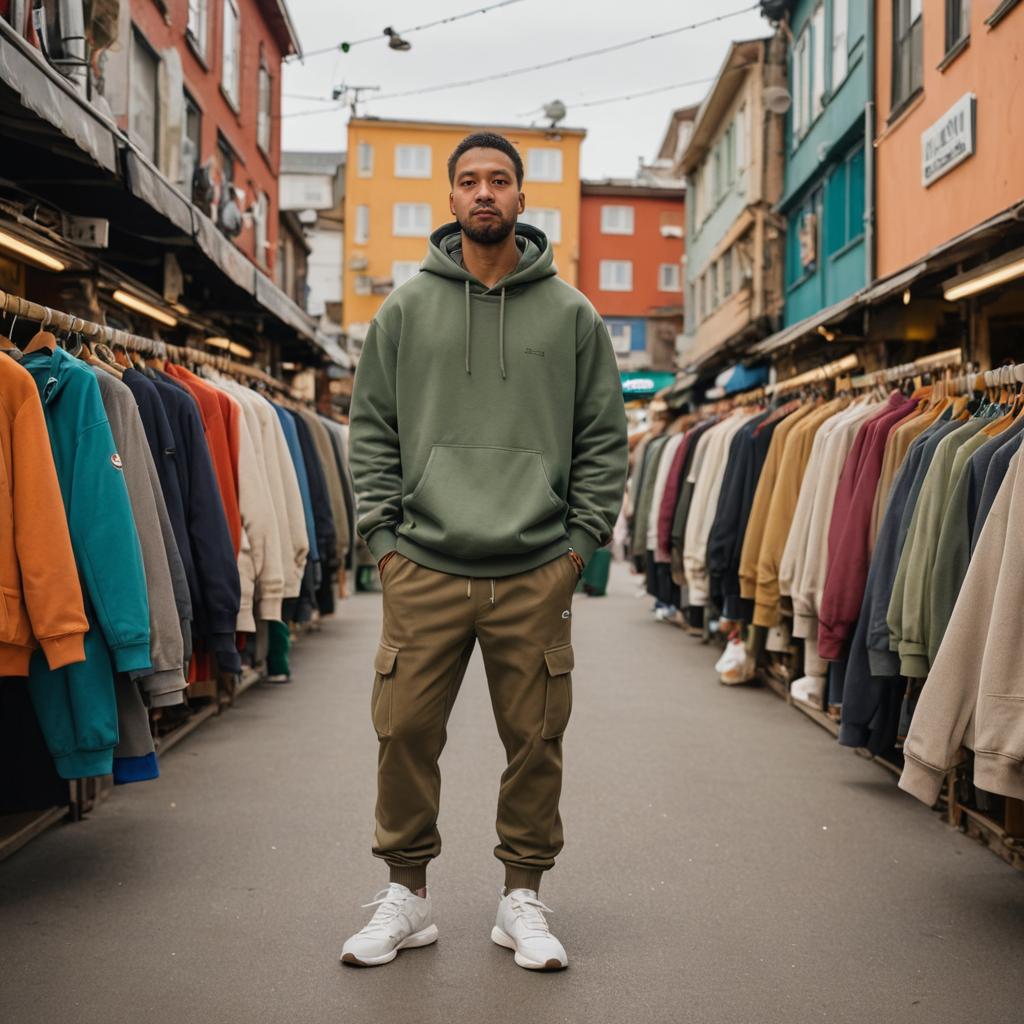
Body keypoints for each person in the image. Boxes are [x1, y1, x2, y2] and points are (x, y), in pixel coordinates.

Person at [343, 131, 628, 971]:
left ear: (521, 197)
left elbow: (604, 440)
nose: (484, 194)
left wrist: (578, 546)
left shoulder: (572, 313)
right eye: (468, 181)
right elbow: (372, 434)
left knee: (536, 738)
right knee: (403, 733)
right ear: (451, 197)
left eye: (499, 180)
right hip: (423, 564)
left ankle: (521, 897)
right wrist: (384, 542)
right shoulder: (405, 308)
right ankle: (409, 897)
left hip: (535, 567)